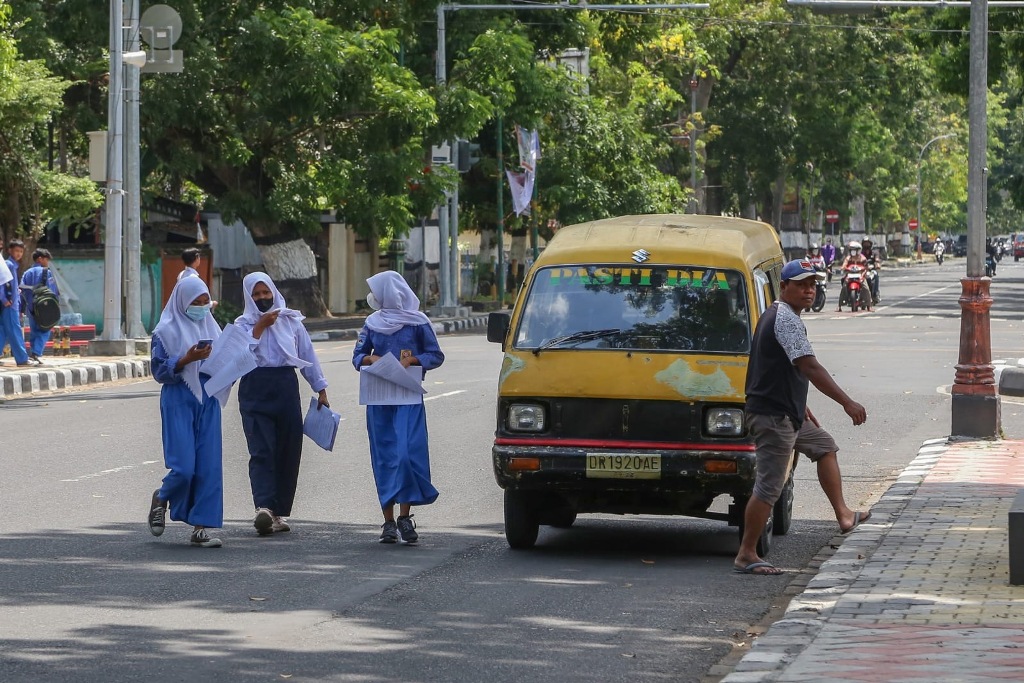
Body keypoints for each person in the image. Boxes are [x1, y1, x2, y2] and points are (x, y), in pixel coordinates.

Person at [734, 259, 868, 575]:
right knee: (769, 487)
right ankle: (746, 553)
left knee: (824, 447)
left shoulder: (778, 315)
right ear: (784, 287)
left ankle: (844, 514)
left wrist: (801, 405)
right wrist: (846, 402)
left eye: (813, 284)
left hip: (787, 412)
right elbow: (809, 366)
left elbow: (779, 369)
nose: (809, 290)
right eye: (802, 284)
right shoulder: (786, 319)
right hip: (773, 417)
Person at [234, 272, 330, 536]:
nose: (262, 298)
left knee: (288, 449)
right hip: (255, 386)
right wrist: (260, 327)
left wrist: (320, 388)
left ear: (274, 292)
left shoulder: (291, 321)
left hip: (285, 386)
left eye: (266, 293)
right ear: (248, 297)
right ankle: (263, 507)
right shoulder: (242, 325)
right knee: (261, 448)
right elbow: (237, 356)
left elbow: (307, 354)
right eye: (256, 294)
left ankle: (278, 513)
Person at [352, 271, 444, 544]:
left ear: (390, 293)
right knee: (385, 457)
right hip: (380, 400)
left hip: (408, 398)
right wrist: (372, 358)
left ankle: (405, 516)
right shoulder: (372, 323)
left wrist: (413, 359)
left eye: (377, 292)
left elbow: (436, 355)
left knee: (406, 454)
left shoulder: (417, 322)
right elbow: (357, 356)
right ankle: (389, 521)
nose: (374, 298)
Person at [146, 276, 226, 548]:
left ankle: (201, 528)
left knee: (209, 466)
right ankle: (162, 496)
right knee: (183, 467)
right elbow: (158, 370)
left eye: (206, 302)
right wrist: (186, 359)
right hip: (179, 395)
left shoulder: (213, 328)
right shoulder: (165, 330)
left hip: (209, 398)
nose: (202, 308)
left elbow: (226, 361)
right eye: (196, 302)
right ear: (182, 302)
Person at [19, 248, 59, 364]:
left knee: (34, 330)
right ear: (40, 259)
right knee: (45, 328)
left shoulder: (27, 273)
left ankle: (33, 353)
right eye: (46, 259)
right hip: (44, 307)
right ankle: (36, 352)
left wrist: (23, 307)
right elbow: (53, 291)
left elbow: (21, 289)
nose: (47, 262)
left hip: (31, 308)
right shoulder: (46, 272)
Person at [1, 240, 30, 366]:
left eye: (21, 251)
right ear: (9, 251)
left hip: (10, 303)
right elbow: (3, 283)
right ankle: (22, 358)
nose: (19, 254)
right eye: (16, 251)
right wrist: (4, 299)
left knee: (2, 330)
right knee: (15, 330)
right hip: (10, 304)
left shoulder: (11, 265)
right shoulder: (9, 264)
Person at [837, 241, 868, 312]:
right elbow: (844, 265)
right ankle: (839, 306)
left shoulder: (862, 258)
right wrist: (842, 268)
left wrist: (864, 270)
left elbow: (866, 266)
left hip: (860, 276)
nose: (853, 252)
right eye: (852, 250)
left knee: (866, 288)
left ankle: (869, 305)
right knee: (844, 286)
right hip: (850, 275)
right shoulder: (848, 258)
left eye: (854, 250)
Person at [862, 239, 881, 304]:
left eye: (868, 243)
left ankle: (875, 294)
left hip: (871, 270)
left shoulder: (874, 252)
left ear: (870, 244)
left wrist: (877, 264)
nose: (866, 245)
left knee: (875, 275)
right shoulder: (860, 253)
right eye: (865, 243)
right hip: (862, 270)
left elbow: (877, 260)